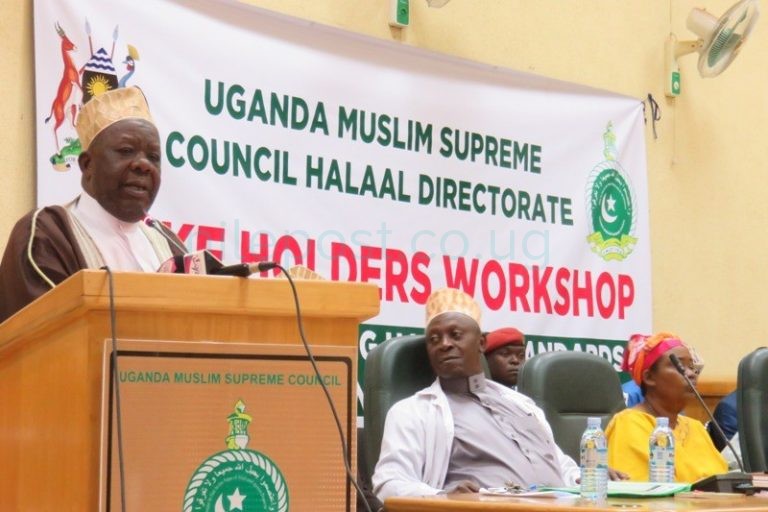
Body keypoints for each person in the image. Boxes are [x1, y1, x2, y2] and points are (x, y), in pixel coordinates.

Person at [371, 287, 581, 501]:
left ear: (481, 343)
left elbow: (558, 462)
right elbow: (389, 483)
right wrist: (443, 497)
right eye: (434, 339)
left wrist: (583, 478)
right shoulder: (412, 412)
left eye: (455, 335)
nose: (444, 344)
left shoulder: (521, 404)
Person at [0, 87, 184, 323]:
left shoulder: (168, 244)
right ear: (88, 165)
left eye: (154, 157)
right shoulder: (46, 236)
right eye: (126, 151)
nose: (143, 165)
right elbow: (52, 333)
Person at [606, 332, 728, 482]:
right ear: (649, 377)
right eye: (679, 366)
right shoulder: (628, 424)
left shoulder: (696, 428)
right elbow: (637, 490)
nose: (691, 374)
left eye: (691, 367)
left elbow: (723, 480)